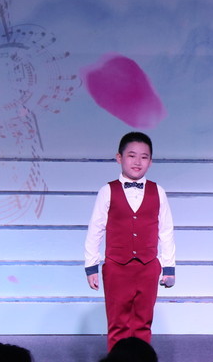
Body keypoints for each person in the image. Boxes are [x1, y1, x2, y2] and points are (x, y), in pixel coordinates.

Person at [85, 132, 176, 350]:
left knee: (143, 322)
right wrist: (91, 266)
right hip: (116, 267)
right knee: (118, 324)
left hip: (148, 267)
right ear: (119, 158)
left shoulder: (158, 191)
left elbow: (166, 230)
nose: (137, 162)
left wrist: (169, 267)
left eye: (144, 157)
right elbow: (95, 229)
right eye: (132, 156)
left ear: (150, 161)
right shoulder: (107, 191)